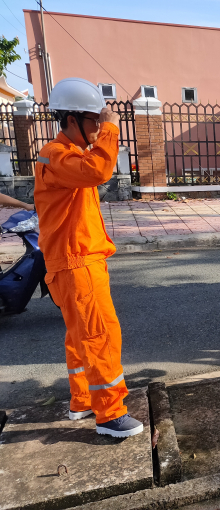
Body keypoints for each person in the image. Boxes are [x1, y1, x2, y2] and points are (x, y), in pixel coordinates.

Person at [33, 78, 143, 438]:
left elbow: (92, 170)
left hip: (75, 261)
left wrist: (103, 131)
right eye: (94, 120)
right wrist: (112, 128)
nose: (99, 128)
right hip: (76, 263)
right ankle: (110, 415)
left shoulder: (64, 155)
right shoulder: (58, 155)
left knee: (80, 338)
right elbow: (98, 171)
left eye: (100, 121)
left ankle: (83, 401)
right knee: (100, 337)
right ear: (71, 119)